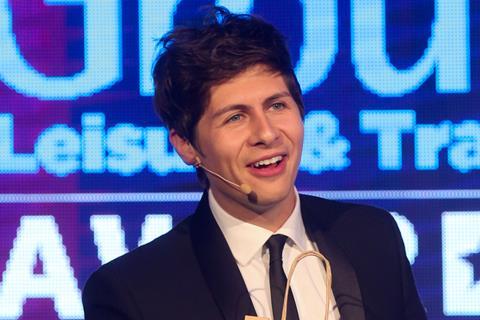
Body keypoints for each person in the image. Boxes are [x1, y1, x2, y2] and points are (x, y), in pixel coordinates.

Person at [82, 7, 427, 320]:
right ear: (187, 146)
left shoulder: (372, 235)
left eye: (277, 106)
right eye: (235, 118)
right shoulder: (133, 292)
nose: (266, 133)